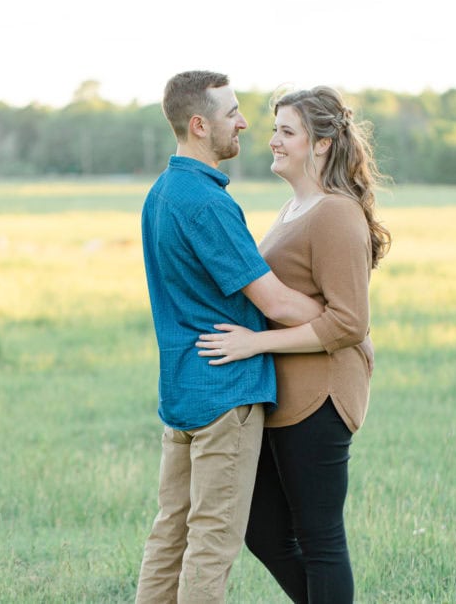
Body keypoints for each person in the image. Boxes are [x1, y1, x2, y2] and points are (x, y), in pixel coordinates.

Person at [135, 71, 325, 604]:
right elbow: (277, 303)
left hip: (182, 394)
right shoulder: (208, 204)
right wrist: (345, 322)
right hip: (226, 398)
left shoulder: (161, 193)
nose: (244, 123)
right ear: (200, 125)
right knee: (211, 546)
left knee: (169, 537)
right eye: (232, 113)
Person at [195, 86, 390, 603]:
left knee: (320, 538)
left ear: (321, 144)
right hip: (284, 394)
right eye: (275, 129)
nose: (273, 140)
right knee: (262, 527)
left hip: (321, 397)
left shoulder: (335, 213)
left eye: (287, 131)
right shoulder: (294, 208)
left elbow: (349, 323)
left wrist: (256, 343)